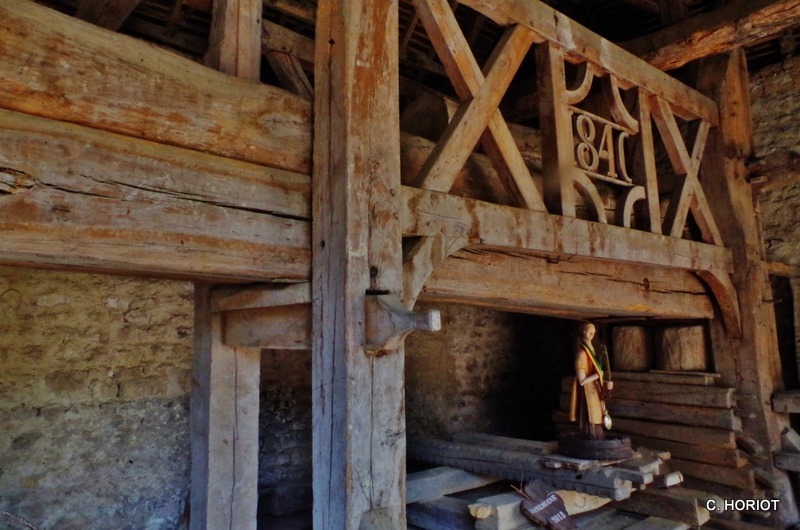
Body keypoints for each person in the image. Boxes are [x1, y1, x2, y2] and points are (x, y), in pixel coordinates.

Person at [569, 322, 613, 440]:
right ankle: (590, 436)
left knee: (597, 416)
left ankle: (596, 436)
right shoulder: (581, 355)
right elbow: (582, 381)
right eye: (590, 332)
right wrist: (598, 375)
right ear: (584, 332)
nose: (592, 334)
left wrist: (605, 382)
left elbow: (597, 372)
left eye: (594, 332)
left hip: (594, 390)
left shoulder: (591, 351)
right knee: (591, 417)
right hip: (587, 391)